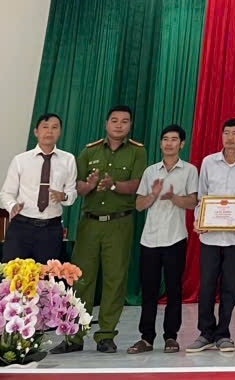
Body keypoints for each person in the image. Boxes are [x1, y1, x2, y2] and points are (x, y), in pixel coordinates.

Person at [51, 105, 147, 355]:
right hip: (90, 224)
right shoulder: (89, 151)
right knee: (81, 279)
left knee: (115, 280)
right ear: (106, 123)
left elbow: (138, 184)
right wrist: (90, 184)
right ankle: (74, 336)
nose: (119, 125)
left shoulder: (137, 152)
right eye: (114, 120)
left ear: (130, 125)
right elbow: (77, 188)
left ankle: (106, 335)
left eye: (124, 121)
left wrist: (114, 185)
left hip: (119, 223)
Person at [186, 118, 235, 353]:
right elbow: (202, 196)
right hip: (210, 236)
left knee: (229, 286)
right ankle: (205, 333)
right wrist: (199, 219)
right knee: (207, 285)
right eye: (226, 133)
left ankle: (223, 333)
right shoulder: (209, 162)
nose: (229, 137)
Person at [128, 124, 199, 354]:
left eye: (174, 139)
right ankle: (146, 338)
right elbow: (139, 205)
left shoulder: (189, 170)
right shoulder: (151, 171)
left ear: (182, 144)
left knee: (174, 290)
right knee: (149, 290)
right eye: (165, 139)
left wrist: (175, 198)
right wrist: (154, 194)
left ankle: (171, 337)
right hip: (149, 239)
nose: (169, 143)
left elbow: (193, 202)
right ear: (160, 143)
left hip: (175, 237)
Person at [0, 113, 77, 263]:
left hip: (51, 229)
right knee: (12, 273)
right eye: (45, 127)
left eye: (54, 127)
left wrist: (64, 196)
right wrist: (12, 206)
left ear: (60, 132)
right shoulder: (21, 160)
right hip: (21, 227)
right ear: (36, 132)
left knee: (47, 275)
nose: (49, 131)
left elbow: (72, 192)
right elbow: (6, 193)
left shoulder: (68, 160)